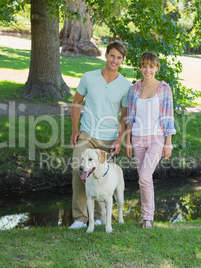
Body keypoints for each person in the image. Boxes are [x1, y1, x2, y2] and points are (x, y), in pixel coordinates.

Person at [68, 41, 132, 229]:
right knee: (78, 169)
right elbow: (76, 103)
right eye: (112, 55)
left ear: (122, 60)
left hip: (108, 137)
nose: (114, 60)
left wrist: (120, 138)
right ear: (106, 55)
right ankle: (80, 219)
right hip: (87, 133)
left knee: (101, 175)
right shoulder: (88, 77)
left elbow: (124, 115)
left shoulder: (125, 85)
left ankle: (98, 217)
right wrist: (74, 129)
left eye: (119, 58)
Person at [125, 51, 176, 229]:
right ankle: (146, 216)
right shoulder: (134, 89)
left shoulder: (164, 88)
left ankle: (147, 217)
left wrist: (168, 142)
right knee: (143, 178)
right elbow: (129, 117)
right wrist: (128, 140)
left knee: (145, 177)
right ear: (140, 67)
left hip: (156, 138)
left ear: (157, 68)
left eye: (151, 66)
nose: (148, 70)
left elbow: (169, 117)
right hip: (137, 138)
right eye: (144, 66)